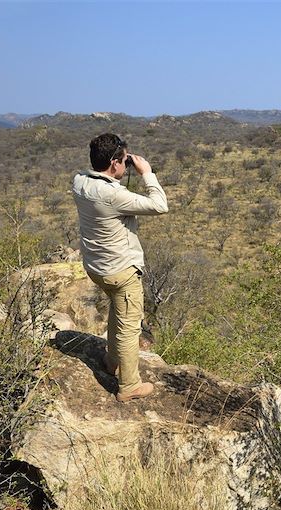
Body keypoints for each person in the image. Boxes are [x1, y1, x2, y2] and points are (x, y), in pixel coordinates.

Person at [72, 133, 168, 402]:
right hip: (121, 271)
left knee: (119, 310)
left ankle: (110, 360)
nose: (127, 165)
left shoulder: (80, 181)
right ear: (114, 163)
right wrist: (147, 174)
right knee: (129, 327)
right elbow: (160, 206)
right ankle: (129, 387)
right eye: (124, 161)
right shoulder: (113, 195)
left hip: (96, 266)